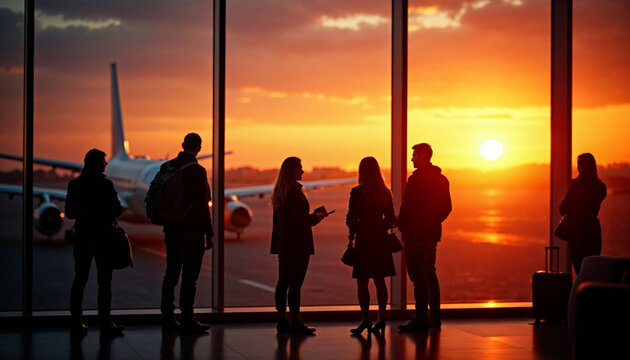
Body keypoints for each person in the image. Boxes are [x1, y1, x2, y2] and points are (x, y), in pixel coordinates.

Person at [160, 133, 214, 332]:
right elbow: (202, 206)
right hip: (191, 231)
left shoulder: (166, 167)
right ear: (199, 148)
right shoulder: (197, 171)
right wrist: (209, 233)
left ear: (182, 145)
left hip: (171, 229)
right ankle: (187, 318)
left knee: (170, 275)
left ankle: (167, 315)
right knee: (190, 278)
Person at [66, 149, 123, 334]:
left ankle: (76, 321)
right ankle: (105, 322)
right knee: (105, 282)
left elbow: (69, 213)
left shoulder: (74, 184)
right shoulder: (106, 185)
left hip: (83, 236)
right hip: (103, 238)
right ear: (97, 164)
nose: (106, 165)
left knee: (79, 280)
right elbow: (117, 210)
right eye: (103, 162)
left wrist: (85, 213)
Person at [397, 143, 451, 332]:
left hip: (415, 235)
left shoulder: (416, 180)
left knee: (418, 278)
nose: (411, 159)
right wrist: (433, 221)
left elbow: (407, 206)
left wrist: (401, 225)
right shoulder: (442, 180)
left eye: (414, 155)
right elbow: (447, 208)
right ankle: (434, 317)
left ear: (422, 156)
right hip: (432, 234)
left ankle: (420, 319)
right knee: (430, 273)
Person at [271, 157, 327, 335]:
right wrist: (316, 217)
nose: (302, 172)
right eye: (299, 169)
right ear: (291, 171)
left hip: (285, 244)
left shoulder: (280, 192)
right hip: (298, 244)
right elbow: (300, 221)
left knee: (283, 282)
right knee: (295, 285)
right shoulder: (294, 193)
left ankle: (282, 320)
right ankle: (295, 321)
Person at [346, 157, 396, 335]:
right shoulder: (385, 192)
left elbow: (351, 218)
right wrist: (379, 227)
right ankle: (381, 318)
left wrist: (355, 232)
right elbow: (391, 219)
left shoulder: (357, 192)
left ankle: (365, 318)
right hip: (380, 241)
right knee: (380, 281)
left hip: (364, 241)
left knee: (362, 282)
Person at [559, 153, 607, 274]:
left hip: (577, 235)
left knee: (580, 272)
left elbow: (562, 209)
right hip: (593, 234)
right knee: (591, 271)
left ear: (581, 167)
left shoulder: (577, 186)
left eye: (578, 165)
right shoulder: (601, 187)